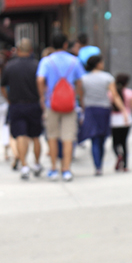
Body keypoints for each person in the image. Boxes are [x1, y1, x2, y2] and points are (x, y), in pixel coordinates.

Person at [37, 32, 84, 181]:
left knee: (52, 136)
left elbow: (39, 79)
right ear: (65, 45)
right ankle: (66, 169)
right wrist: (80, 99)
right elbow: (80, 82)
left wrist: (42, 96)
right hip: (70, 104)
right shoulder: (74, 61)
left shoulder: (46, 61)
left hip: (52, 103)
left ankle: (53, 168)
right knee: (68, 137)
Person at [0, 37, 43, 179]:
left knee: (20, 135)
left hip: (16, 104)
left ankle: (24, 165)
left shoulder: (10, 66)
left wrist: (8, 99)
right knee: (35, 136)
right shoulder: (37, 65)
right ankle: (36, 163)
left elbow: (2, 86)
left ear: (18, 50)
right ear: (31, 50)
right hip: (34, 103)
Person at [77, 55, 127, 175]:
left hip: (90, 109)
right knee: (102, 138)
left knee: (94, 139)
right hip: (103, 109)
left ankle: (97, 166)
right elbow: (114, 95)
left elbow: (81, 96)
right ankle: (99, 164)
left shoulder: (83, 79)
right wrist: (123, 110)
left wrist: (83, 110)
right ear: (98, 64)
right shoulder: (107, 77)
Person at [110, 73, 132, 171]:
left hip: (114, 120)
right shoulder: (129, 92)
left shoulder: (111, 93)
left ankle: (118, 155)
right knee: (124, 142)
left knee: (115, 143)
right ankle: (125, 166)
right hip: (126, 119)